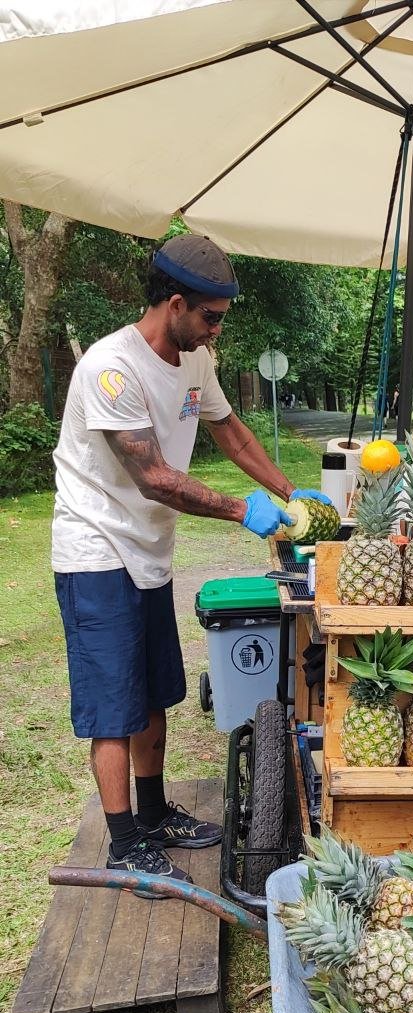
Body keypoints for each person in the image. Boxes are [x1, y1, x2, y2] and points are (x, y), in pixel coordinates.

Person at [52, 233, 331, 897]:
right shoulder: (109, 369)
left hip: (147, 552)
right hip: (96, 550)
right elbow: (152, 476)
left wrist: (291, 493)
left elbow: (230, 433)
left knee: (152, 695)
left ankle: (152, 813)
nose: (215, 333)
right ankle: (125, 846)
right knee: (114, 706)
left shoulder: (195, 359)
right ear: (174, 303)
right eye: (209, 318)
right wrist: (244, 511)